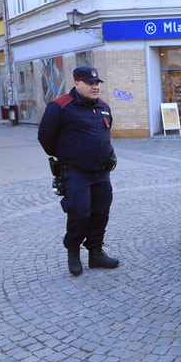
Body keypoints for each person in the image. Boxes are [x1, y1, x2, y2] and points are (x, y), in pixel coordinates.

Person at [38, 66, 120, 276]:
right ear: (76, 83)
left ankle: (95, 253)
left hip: (101, 172)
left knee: (101, 213)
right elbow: (45, 137)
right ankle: (73, 252)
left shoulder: (103, 106)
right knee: (79, 214)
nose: (95, 87)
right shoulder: (60, 106)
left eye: (97, 83)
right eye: (90, 83)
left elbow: (104, 134)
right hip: (76, 172)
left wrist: (109, 153)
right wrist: (68, 155)